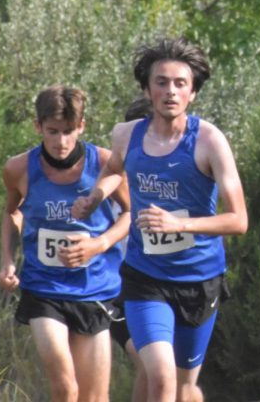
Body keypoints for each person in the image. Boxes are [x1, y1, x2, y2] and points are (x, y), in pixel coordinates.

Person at [72, 38, 247, 402]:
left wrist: (179, 224)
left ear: (193, 93)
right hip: (145, 279)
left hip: (200, 281)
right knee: (162, 379)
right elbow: (112, 170)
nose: (170, 91)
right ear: (147, 89)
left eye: (180, 83)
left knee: (185, 388)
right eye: (162, 82)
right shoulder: (126, 135)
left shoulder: (210, 141)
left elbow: (238, 220)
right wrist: (95, 196)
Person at [0, 85, 131, 402]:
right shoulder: (18, 168)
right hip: (44, 289)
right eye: (53, 131)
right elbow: (11, 212)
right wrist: (7, 259)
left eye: (69, 131)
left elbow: (130, 212)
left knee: (94, 397)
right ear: (38, 126)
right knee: (65, 388)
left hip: (94, 288)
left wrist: (99, 244)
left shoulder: (105, 163)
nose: (61, 141)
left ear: (82, 126)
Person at [108, 97, 154, 402]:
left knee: (170, 374)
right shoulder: (108, 181)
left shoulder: (171, 181)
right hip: (117, 293)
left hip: (163, 288)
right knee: (150, 364)